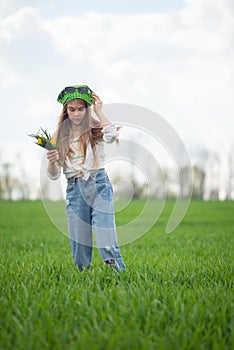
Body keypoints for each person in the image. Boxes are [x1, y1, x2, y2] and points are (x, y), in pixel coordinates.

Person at [46, 85, 126, 272]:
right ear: (65, 110)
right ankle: (83, 278)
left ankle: (118, 275)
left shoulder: (95, 129)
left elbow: (112, 135)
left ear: (87, 109)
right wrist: (51, 161)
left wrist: (99, 110)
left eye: (81, 109)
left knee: (105, 239)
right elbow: (54, 174)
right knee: (79, 242)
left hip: (98, 185)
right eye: (72, 109)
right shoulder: (58, 136)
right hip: (74, 189)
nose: (76, 114)